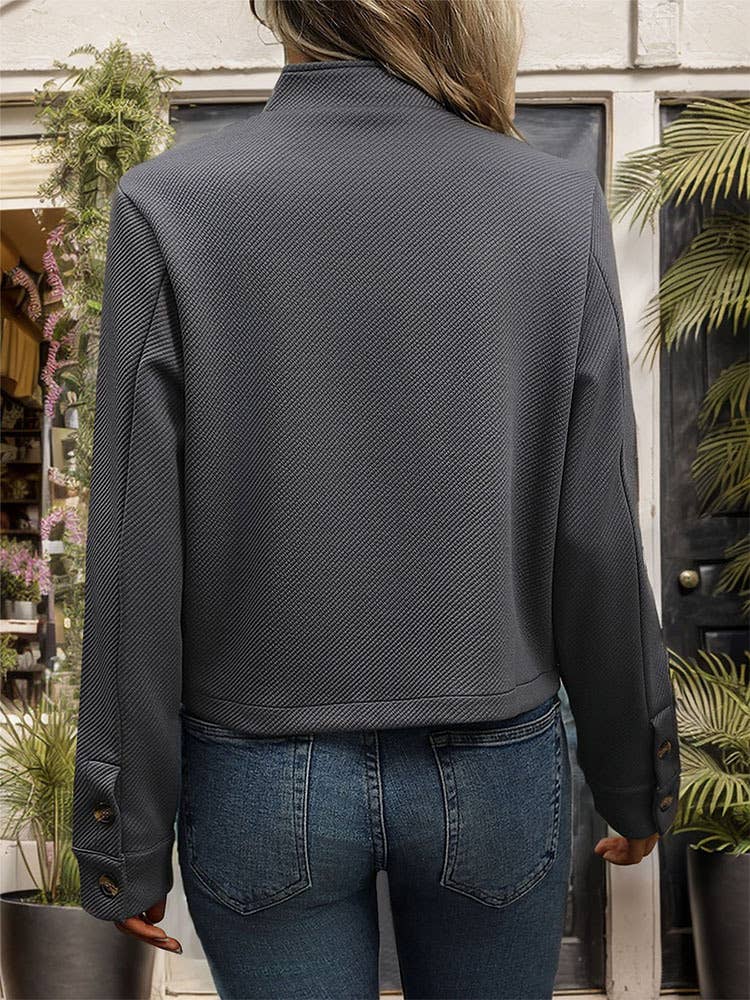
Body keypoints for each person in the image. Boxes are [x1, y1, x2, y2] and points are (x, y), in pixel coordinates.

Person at [71, 1, 682, 997]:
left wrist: (121, 831)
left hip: (259, 772)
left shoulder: (169, 205)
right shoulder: (551, 204)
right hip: (494, 760)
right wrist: (634, 769)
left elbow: (135, 552)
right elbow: (598, 528)